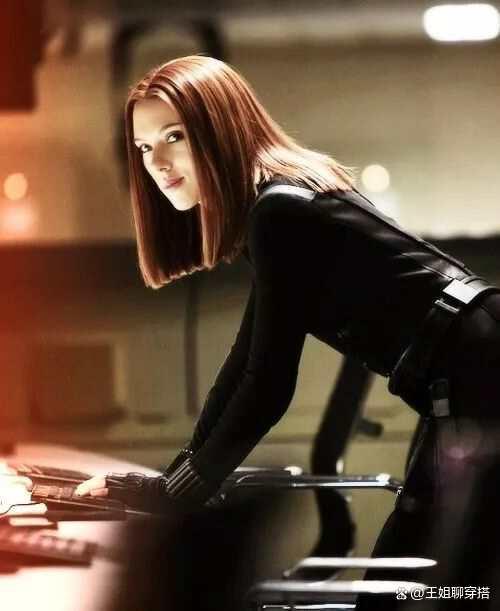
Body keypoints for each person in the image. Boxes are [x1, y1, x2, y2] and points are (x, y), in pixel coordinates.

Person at [75, 55, 500, 607]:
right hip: (466, 372)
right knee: (420, 589)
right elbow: (246, 363)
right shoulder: (273, 207)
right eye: (142, 147)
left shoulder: (280, 210)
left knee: (428, 591)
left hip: (479, 371)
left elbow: (268, 384)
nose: (156, 162)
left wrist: (178, 492)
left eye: (174, 136)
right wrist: (174, 482)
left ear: (220, 127)